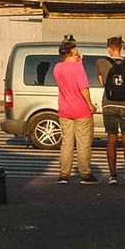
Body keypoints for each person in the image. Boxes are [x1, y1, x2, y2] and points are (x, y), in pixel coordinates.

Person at [49, 37, 96, 182]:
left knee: (67, 143)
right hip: (81, 110)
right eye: (76, 54)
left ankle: (64, 174)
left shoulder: (58, 68)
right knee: (83, 143)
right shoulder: (78, 68)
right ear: (68, 56)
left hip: (64, 109)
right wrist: (90, 104)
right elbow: (83, 88)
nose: (79, 56)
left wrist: (78, 62)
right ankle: (85, 173)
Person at [99, 42, 125, 184]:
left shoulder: (101, 63)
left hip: (108, 104)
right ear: (122, 48)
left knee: (111, 138)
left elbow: (103, 82)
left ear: (108, 48)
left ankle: (113, 175)